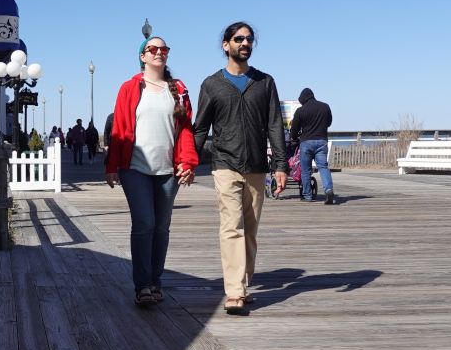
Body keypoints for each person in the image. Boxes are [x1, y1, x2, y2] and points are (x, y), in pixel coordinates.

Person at [193, 21, 287, 314]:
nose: (244, 43)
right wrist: (188, 161)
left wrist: (280, 165)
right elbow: (200, 128)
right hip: (225, 164)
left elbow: (274, 126)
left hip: (257, 165)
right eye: (238, 39)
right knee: (231, 226)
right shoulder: (212, 85)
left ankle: (243, 282)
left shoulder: (265, 82)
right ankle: (234, 292)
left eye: (248, 40)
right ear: (226, 45)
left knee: (250, 229)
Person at [105, 36, 198, 307]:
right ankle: (142, 285)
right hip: (135, 168)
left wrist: (188, 162)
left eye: (164, 49)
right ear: (143, 56)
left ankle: (156, 281)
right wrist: (112, 166)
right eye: (153, 49)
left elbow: (186, 130)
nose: (159, 53)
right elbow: (118, 129)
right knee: (144, 223)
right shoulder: (129, 88)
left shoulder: (178, 89)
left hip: (169, 169)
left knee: (161, 227)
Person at [290, 88, 335, 204]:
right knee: (323, 167)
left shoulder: (301, 111)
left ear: (303, 99)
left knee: (306, 170)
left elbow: (294, 129)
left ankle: (307, 196)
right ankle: (328, 189)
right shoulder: (325, 107)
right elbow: (329, 122)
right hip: (321, 141)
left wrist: (294, 137)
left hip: (306, 142)